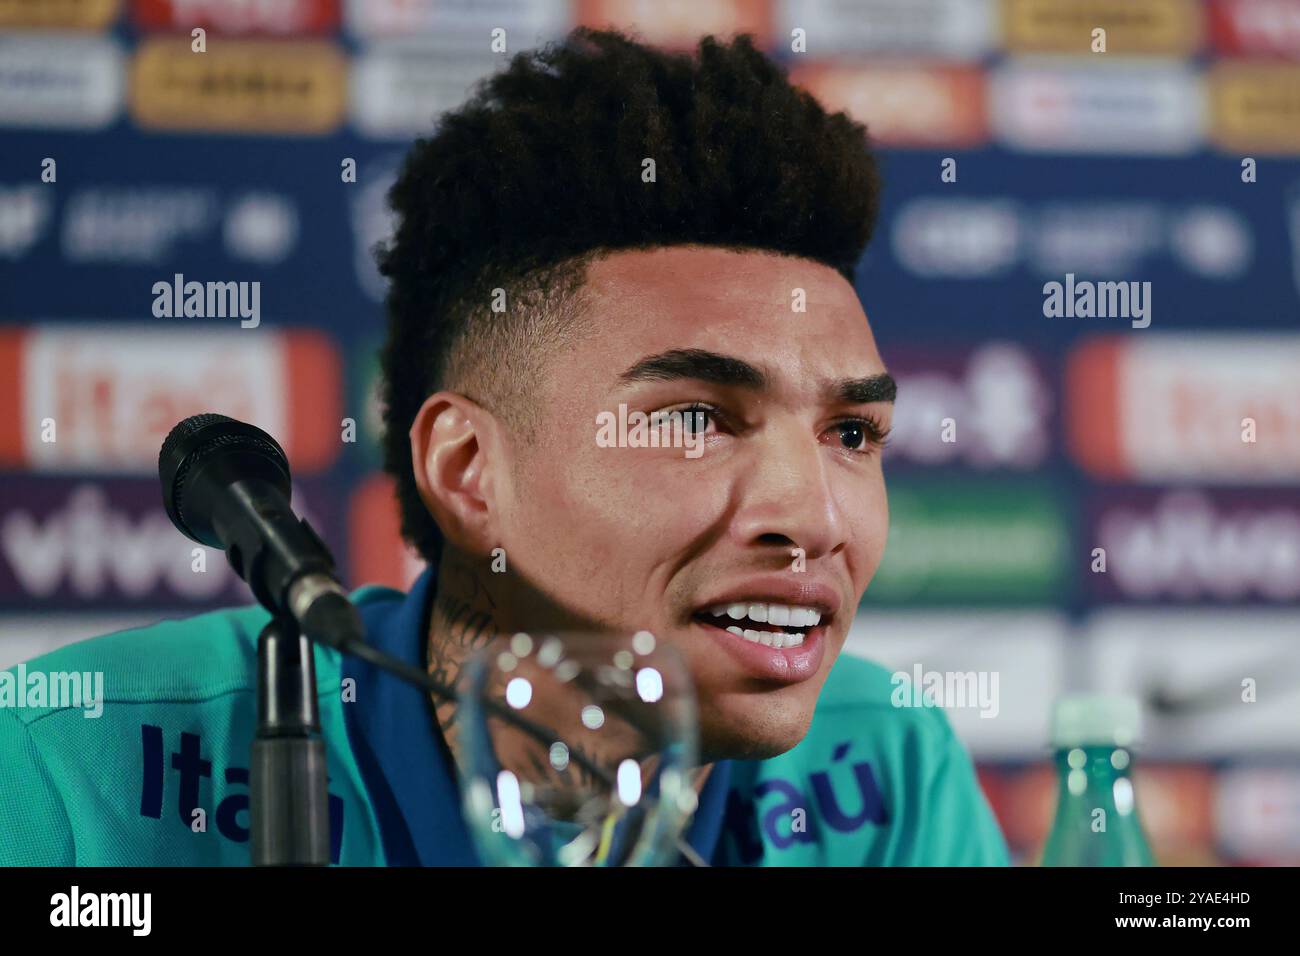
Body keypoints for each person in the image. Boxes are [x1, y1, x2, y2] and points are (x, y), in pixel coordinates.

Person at [0, 27, 1008, 866]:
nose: (814, 515)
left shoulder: (889, 762)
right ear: (467, 471)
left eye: (850, 432)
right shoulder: (74, 764)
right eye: (695, 418)